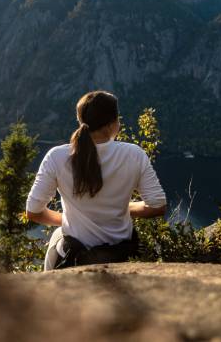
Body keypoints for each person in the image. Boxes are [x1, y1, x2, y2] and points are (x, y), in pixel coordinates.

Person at [26, 91, 167, 271]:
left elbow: (33, 212)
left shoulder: (57, 157)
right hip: (120, 254)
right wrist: (122, 208)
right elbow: (157, 206)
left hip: (75, 254)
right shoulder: (134, 154)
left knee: (57, 238)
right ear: (112, 124)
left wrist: (72, 220)